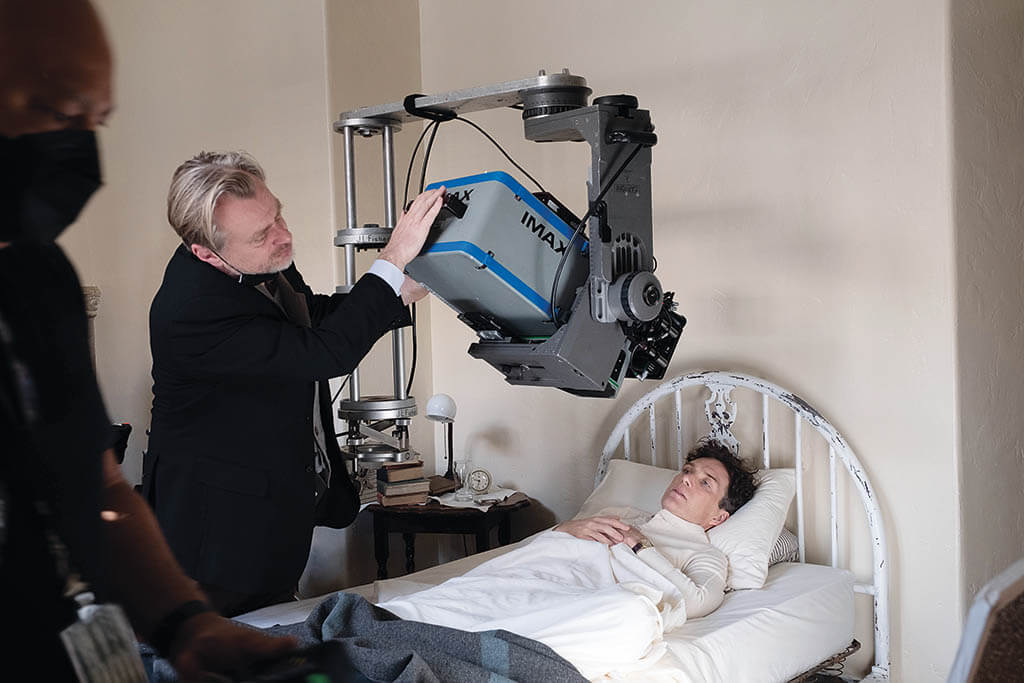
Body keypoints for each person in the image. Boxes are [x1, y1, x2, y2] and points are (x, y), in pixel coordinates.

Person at [0, 0, 298, 679]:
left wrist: (184, 622)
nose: (78, 145)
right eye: (59, 109)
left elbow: (96, 484)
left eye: (95, 121)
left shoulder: (38, 282)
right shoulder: (191, 303)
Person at [144, 150, 444, 617]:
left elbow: (310, 320)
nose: (283, 236)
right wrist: (392, 258)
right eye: (263, 234)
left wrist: (399, 291)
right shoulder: (191, 310)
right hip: (212, 539)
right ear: (206, 252)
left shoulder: (263, 261)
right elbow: (324, 353)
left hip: (271, 516)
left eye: (278, 214)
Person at [554, 440, 758, 617]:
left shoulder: (704, 554)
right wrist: (566, 528)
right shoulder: (621, 514)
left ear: (718, 517)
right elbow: (542, 547)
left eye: (705, 483)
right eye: (687, 470)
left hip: (581, 603)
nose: (685, 478)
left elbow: (698, 602)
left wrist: (640, 545)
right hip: (544, 579)